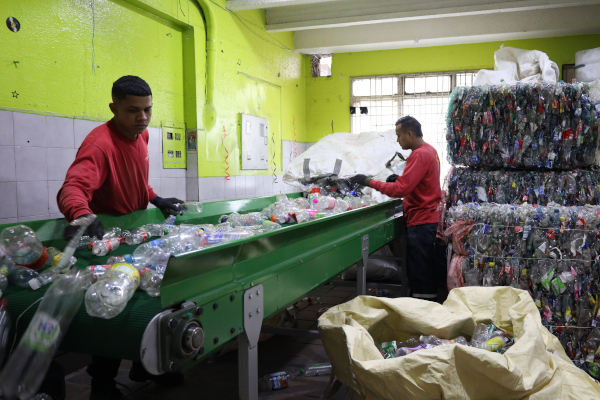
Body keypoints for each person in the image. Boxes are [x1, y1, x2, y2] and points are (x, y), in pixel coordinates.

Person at [57, 75, 185, 399]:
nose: (142, 118)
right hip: (108, 242)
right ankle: (101, 383)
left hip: (136, 236)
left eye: (147, 110)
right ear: (114, 108)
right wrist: (80, 214)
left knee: (151, 296)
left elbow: (137, 180)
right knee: (114, 303)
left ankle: (148, 365)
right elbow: (73, 187)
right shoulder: (100, 143)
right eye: (132, 111)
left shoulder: (139, 137)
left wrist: (155, 199)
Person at [350, 116, 447, 302]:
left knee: (421, 271)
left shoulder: (419, 154)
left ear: (409, 134)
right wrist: (399, 179)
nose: (397, 140)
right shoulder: (430, 150)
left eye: (399, 135)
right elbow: (417, 182)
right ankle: (423, 304)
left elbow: (400, 190)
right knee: (423, 268)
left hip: (421, 221)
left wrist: (369, 182)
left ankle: (423, 310)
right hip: (427, 218)